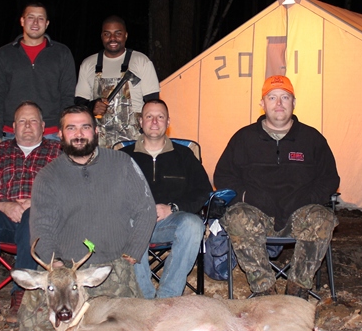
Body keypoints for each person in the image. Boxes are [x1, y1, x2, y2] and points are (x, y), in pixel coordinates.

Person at [214, 75, 340, 300]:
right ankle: (264, 291)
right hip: (258, 213)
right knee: (236, 217)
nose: (279, 103)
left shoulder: (312, 139)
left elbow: (330, 179)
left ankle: (297, 290)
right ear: (262, 104)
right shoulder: (244, 138)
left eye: (285, 97)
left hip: (299, 214)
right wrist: (251, 197)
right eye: (272, 97)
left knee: (323, 217)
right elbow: (223, 176)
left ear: (294, 102)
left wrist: (305, 198)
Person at [29, 105, 156, 297]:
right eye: (71, 128)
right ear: (60, 134)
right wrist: (56, 266)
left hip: (114, 266)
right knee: (43, 325)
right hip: (67, 270)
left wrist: (131, 254)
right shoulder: (47, 177)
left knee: (116, 324)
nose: (79, 134)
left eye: (85, 127)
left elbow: (146, 210)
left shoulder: (122, 163)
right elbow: (41, 227)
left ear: (96, 131)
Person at [0, 101, 61, 324]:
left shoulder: (58, 153)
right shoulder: (0, 152)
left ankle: (21, 294)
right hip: (5, 221)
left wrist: (36, 201)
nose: (27, 126)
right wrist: (2, 203)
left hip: (40, 224)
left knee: (32, 216)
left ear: (43, 126)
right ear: (13, 127)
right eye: (22, 121)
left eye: (33, 121)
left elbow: (70, 187)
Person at [120, 100, 212, 298]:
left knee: (193, 224)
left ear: (168, 122)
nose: (154, 121)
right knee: (124, 223)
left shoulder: (184, 155)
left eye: (160, 116)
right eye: (149, 116)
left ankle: (167, 299)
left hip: (169, 223)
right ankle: (145, 299)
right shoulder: (122, 157)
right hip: (133, 226)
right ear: (141, 122)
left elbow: (203, 190)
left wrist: (172, 208)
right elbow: (109, 193)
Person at [0, 3, 76, 146]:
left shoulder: (62, 53)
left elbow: (67, 96)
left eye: (40, 18)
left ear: (47, 23)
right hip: (11, 134)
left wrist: (64, 130)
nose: (35, 22)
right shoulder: (4, 54)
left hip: (51, 134)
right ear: (22, 21)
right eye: (31, 17)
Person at [75, 15, 160, 148]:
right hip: (99, 140)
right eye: (107, 34)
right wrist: (92, 106)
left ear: (125, 35)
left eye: (118, 34)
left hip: (134, 139)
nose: (112, 38)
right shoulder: (88, 64)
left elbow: (153, 104)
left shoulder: (141, 61)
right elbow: (79, 105)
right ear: (101, 36)